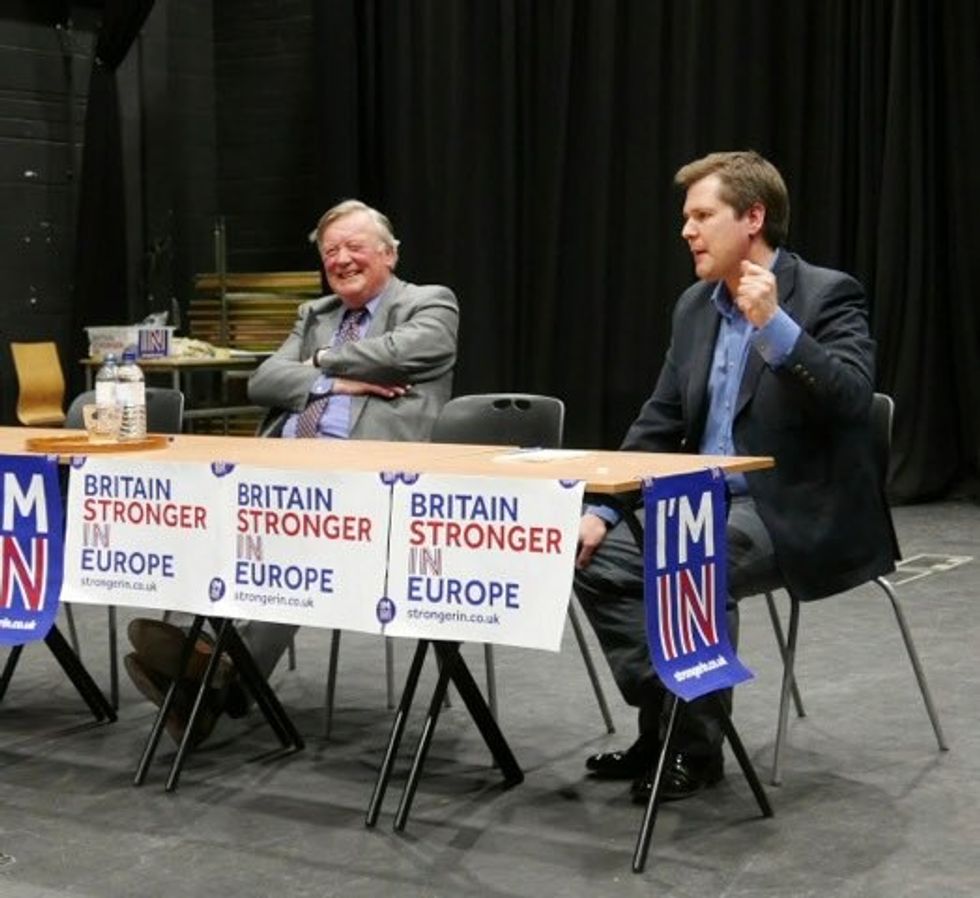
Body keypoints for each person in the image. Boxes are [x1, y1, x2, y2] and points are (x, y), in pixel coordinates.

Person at [575, 151, 896, 802]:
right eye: (685, 218)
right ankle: (669, 719)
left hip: (791, 504)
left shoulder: (827, 294)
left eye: (701, 216)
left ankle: (692, 748)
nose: (686, 231)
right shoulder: (694, 307)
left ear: (753, 218)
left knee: (690, 562)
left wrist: (775, 327)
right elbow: (660, 423)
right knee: (588, 559)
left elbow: (853, 402)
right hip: (699, 498)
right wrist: (602, 510)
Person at [124, 199, 459, 744]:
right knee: (209, 514)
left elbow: (410, 350)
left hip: (371, 483)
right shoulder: (316, 314)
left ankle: (208, 670)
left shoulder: (429, 303)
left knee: (288, 536)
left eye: (354, 247)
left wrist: (321, 363)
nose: (342, 259)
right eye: (331, 252)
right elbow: (263, 380)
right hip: (283, 470)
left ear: (389, 254)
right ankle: (205, 668)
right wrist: (337, 384)